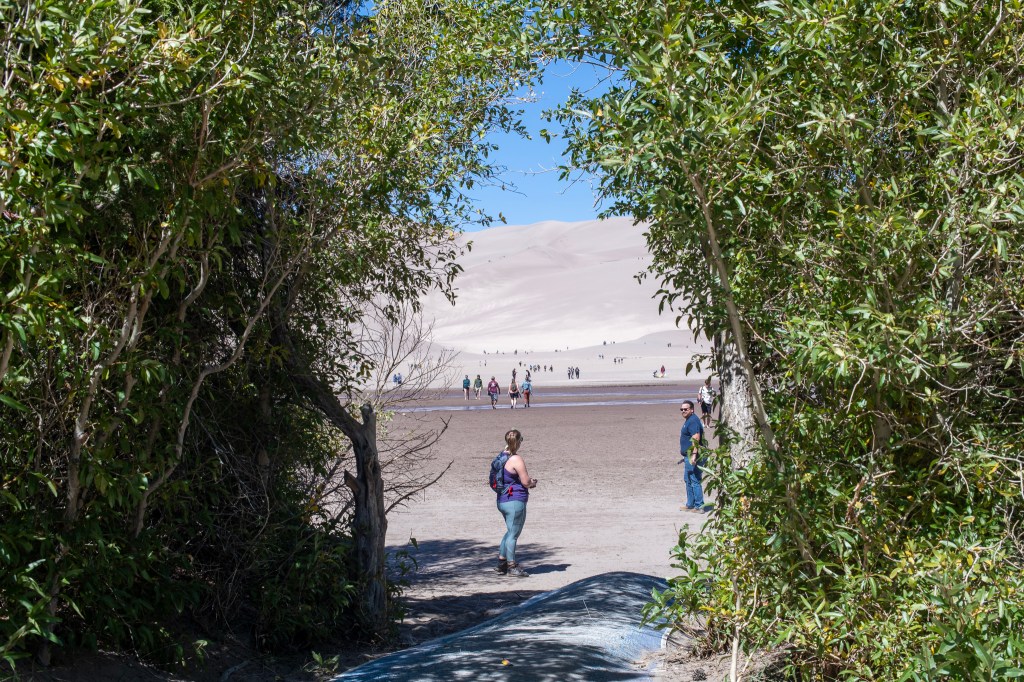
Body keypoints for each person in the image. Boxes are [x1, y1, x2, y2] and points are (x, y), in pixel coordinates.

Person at [493, 429, 537, 577]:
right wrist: (533, 482)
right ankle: (512, 566)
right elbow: (525, 482)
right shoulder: (516, 459)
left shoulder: (501, 456)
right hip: (514, 501)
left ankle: (502, 563)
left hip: (502, 500)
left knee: (510, 531)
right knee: (513, 534)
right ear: (518, 442)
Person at [679, 400, 706, 513]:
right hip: (688, 456)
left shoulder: (693, 421)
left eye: (686, 409)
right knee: (688, 479)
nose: (683, 411)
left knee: (695, 480)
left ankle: (699, 506)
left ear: (692, 410)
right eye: (682, 409)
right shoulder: (689, 420)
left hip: (694, 456)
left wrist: (694, 455)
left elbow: (696, 438)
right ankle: (690, 504)